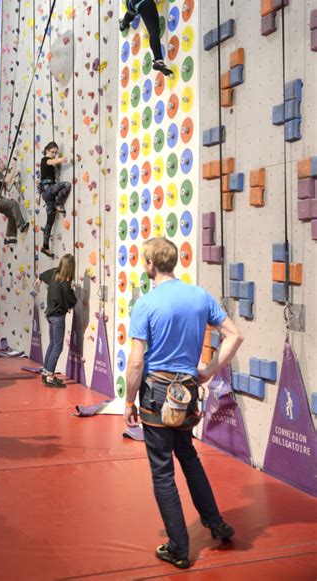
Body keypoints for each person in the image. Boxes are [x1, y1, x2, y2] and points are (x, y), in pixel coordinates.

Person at [125, 237, 243, 570]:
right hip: (188, 391)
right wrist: (207, 370)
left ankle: (179, 547)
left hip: (157, 394)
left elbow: (136, 363)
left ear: (149, 264)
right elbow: (235, 335)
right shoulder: (199, 295)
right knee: (188, 455)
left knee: (162, 470)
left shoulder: (146, 304)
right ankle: (216, 523)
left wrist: (128, 402)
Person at [37, 254, 77, 388]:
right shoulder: (65, 284)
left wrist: (39, 279)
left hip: (50, 315)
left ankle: (46, 372)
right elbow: (72, 301)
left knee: (52, 344)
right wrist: (73, 290)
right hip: (58, 317)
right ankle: (49, 376)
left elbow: (43, 275)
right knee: (57, 347)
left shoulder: (54, 273)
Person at [0, 158, 29, 245]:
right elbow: (7, 180)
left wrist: (14, 177)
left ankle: (9, 237)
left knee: (11, 215)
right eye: (1, 162)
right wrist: (14, 167)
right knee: (13, 204)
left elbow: (8, 188)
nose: (4, 163)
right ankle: (21, 225)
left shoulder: (0, 176)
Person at [39, 142, 71, 258]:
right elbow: (51, 161)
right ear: (47, 150)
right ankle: (59, 204)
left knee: (49, 222)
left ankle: (45, 247)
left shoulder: (49, 162)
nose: (54, 154)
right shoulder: (45, 160)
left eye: (56, 153)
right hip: (48, 190)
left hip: (48, 195)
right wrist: (62, 159)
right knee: (67, 185)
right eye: (53, 152)